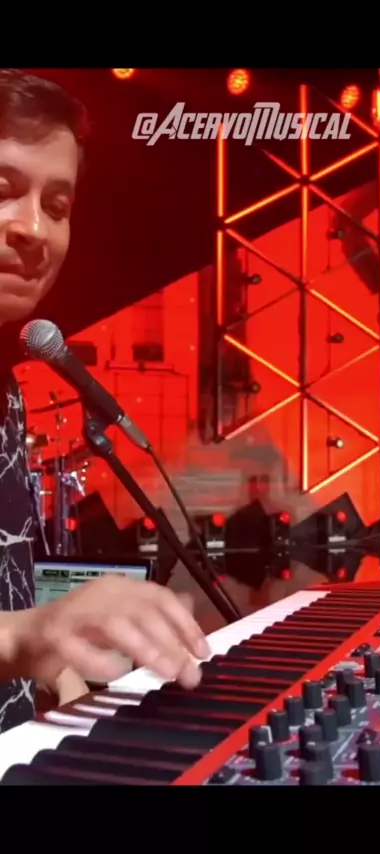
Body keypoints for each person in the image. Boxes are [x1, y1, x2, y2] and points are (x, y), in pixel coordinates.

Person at [0, 68, 209, 735]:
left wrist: (69, 686)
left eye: (58, 206)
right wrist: (27, 635)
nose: (34, 228)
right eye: (3, 191)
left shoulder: (6, 387)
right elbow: (17, 630)